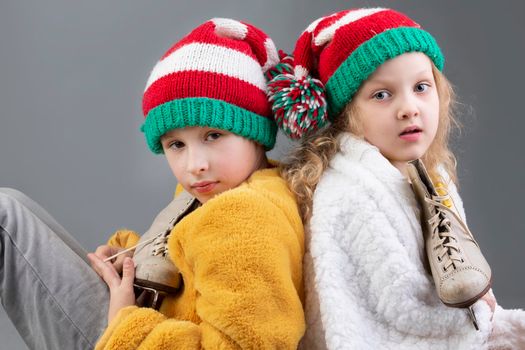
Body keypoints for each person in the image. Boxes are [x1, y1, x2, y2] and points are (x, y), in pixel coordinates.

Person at [0, 18, 305, 349]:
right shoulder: (224, 192)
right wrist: (135, 258)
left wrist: (126, 322)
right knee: (9, 205)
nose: (195, 165)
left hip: (130, 338)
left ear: (255, 133)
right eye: (176, 145)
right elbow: (191, 270)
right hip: (144, 319)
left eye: (214, 135)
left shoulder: (243, 215)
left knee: (5, 215)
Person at [266, 7, 525, 349]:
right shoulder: (349, 196)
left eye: (420, 87)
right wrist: (478, 312)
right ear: (348, 114)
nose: (409, 108)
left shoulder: (433, 176)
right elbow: (397, 310)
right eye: (382, 95)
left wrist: (483, 310)